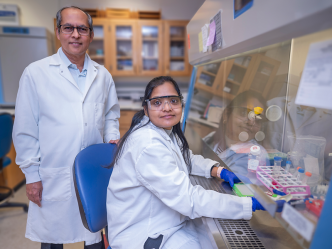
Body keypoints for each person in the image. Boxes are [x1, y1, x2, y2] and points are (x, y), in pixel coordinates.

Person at [106, 76, 283, 249]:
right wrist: (249, 204)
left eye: (173, 101)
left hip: (163, 221)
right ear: (146, 109)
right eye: (158, 102)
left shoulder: (163, 131)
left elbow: (185, 157)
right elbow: (190, 199)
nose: (167, 108)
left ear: (181, 104)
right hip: (144, 233)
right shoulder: (149, 144)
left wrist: (218, 170)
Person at [12, 6, 120, 249]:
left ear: (91, 35)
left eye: (82, 29)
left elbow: (111, 115)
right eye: (68, 28)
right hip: (53, 173)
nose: (75, 35)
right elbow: (25, 129)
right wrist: (32, 175)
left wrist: (112, 138)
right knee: (53, 238)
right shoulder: (36, 73)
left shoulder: (102, 75)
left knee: (94, 234)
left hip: (92, 173)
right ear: (58, 31)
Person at [204, 90, 270, 177]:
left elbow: (231, 185)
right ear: (226, 114)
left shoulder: (257, 155)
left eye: (258, 119)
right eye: (244, 113)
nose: (251, 122)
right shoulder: (213, 137)